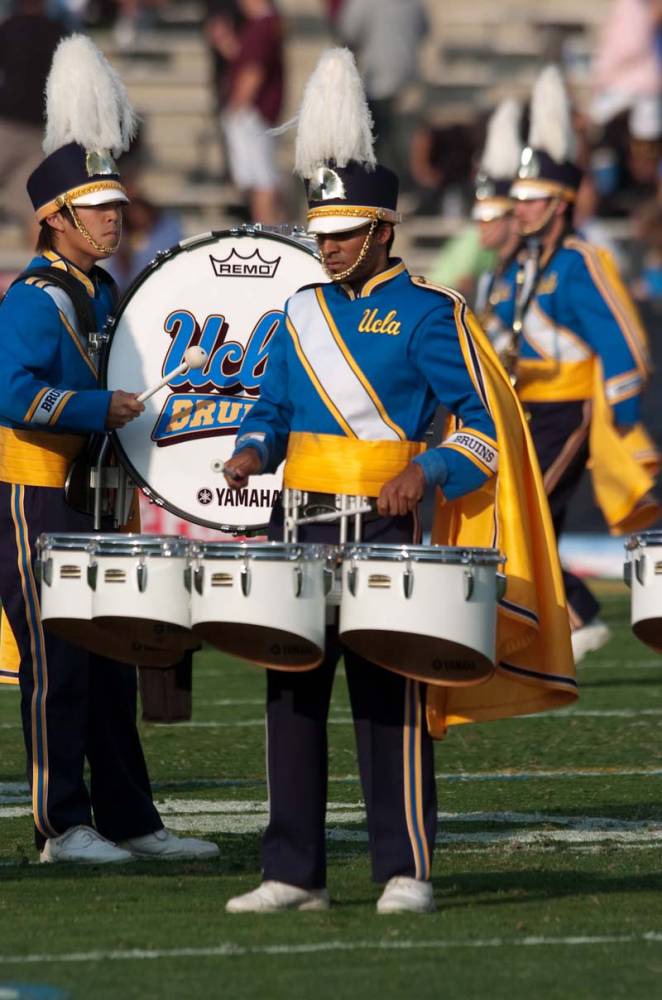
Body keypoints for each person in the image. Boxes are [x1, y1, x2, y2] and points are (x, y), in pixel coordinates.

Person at [221, 48, 576, 914]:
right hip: (299, 526)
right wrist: (247, 452)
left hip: (385, 532)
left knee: (391, 701)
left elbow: (487, 431)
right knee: (291, 698)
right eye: (321, 229)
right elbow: (271, 412)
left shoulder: (430, 310)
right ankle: (292, 872)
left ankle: (404, 869)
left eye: (343, 231)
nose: (326, 242)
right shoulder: (297, 311)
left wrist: (427, 470)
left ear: (383, 228)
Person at [0, 35, 219, 865]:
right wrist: (100, 406)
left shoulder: (102, 289)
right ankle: (62, 826)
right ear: (53, 219)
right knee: (58, 660)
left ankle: (129, 818)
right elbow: (9, 392)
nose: (113, 217)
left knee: (113, 658)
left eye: (116, 204)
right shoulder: (33, 297)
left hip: (90, 494)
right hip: (36, 491)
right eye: (95, 208)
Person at [487, 66, 660, 664]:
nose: (522, 209)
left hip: (571, 408)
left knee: (526, 510)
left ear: (559, 203)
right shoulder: (521, 265)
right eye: (521, 199)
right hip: (527, 407)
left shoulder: (579, 261)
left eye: (534, 200)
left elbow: (622, 334)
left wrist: (623, 402)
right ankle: (568, 619)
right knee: (529, 520)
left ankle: (575, 615)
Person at [209, 0, 284, 224]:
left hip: (254, 115)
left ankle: (268, 231)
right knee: (254, 180)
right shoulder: (258, 26)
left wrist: (236, 106)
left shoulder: (263, 25)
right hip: (253, 114)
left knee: (262, 180)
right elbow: (245, 59)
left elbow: (253, 71)